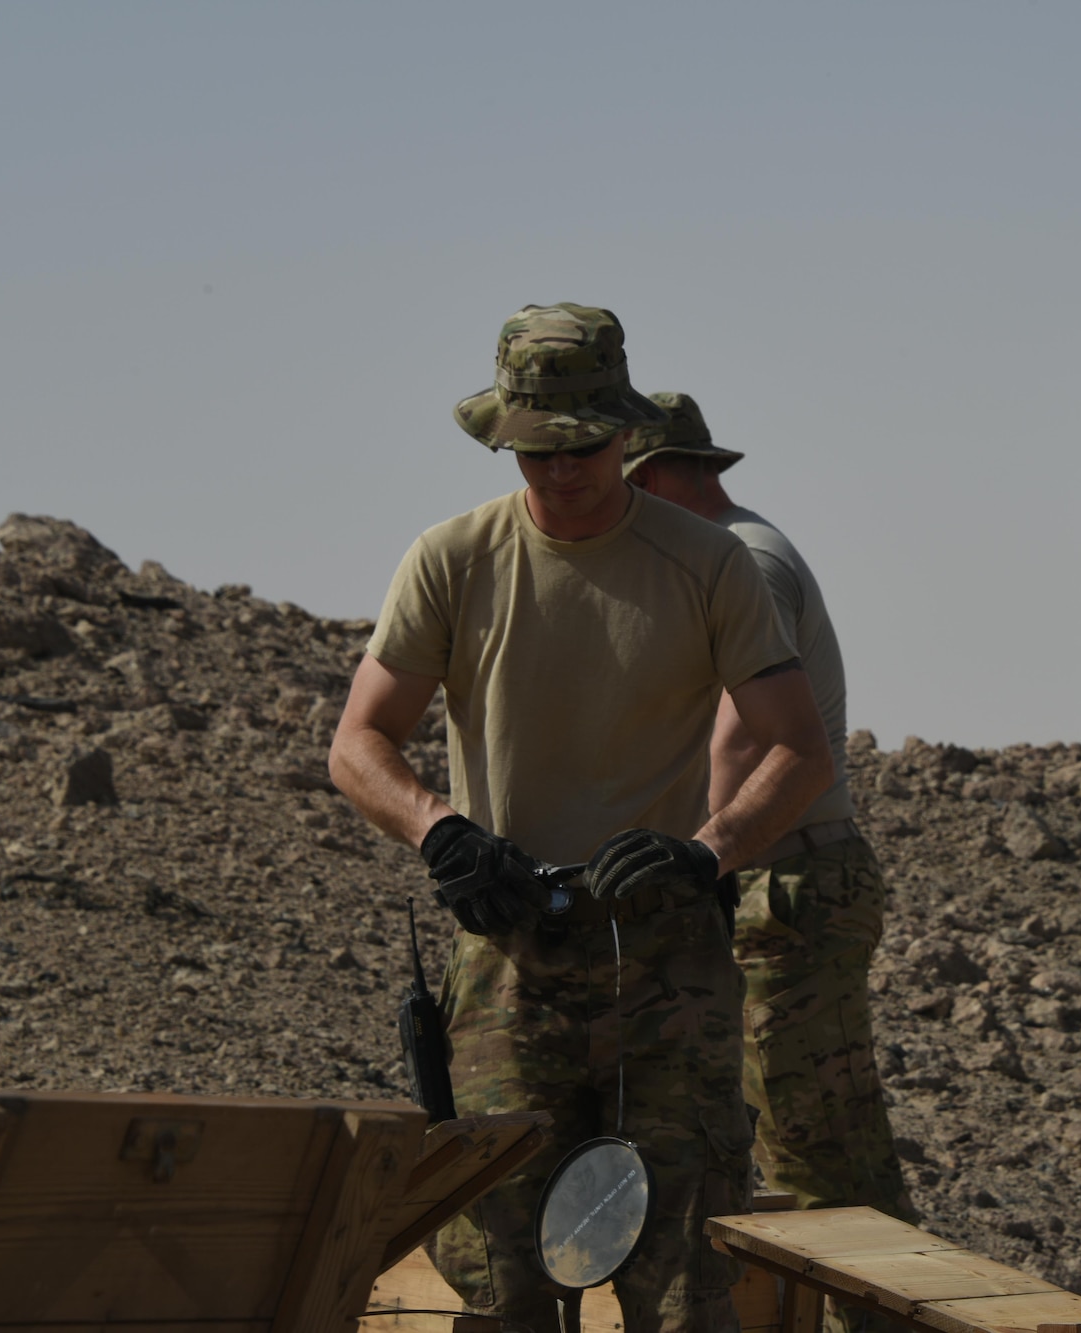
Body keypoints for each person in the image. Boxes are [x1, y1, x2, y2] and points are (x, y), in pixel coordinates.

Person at [328, 304, 834, 1333]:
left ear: (626, 435)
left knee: (684, 1266)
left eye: (586, 448)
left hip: (662, 956)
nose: (562, 474)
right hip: (509, 948)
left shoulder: (706, 564)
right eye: (536, 451)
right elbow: (357, 744)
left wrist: (705, 854)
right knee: (500, 1263)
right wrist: (442, 831)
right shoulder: (454, 559)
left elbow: (799, 749)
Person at [624, 393, 917, 1331]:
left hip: (790, 887)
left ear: (663, 474)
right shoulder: (723, 557)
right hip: (772, 885)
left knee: (822, 1162)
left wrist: (695, 864)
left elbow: (743, 749)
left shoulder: (743, 560)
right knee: (788, 1154)